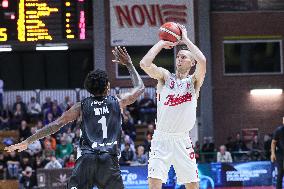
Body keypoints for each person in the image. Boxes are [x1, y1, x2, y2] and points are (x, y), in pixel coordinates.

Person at [5, 46, 145, 189]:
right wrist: (129, 64)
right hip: (109, 162)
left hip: (86, 161)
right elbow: (140, 88)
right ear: (107, 87)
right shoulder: (118, 101)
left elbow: (56, 124)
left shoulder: (81, 106)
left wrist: (28, 141)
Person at [140, 23, 206, 189]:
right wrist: (162, 43)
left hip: (182, 139)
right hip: (161, 139)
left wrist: (185, 40)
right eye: (178, 56)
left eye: (184, 56)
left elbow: (203, 60)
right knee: (154, 184)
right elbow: (144, 63)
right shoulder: (165, 77)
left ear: (192, 63)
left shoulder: (193, 82)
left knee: (193, 185)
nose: (180, 58)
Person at [271, 117, 284, 189]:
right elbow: (273, 142)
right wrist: (273, 154)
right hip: (280, 154)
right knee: (281, 172)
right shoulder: (279, 130)